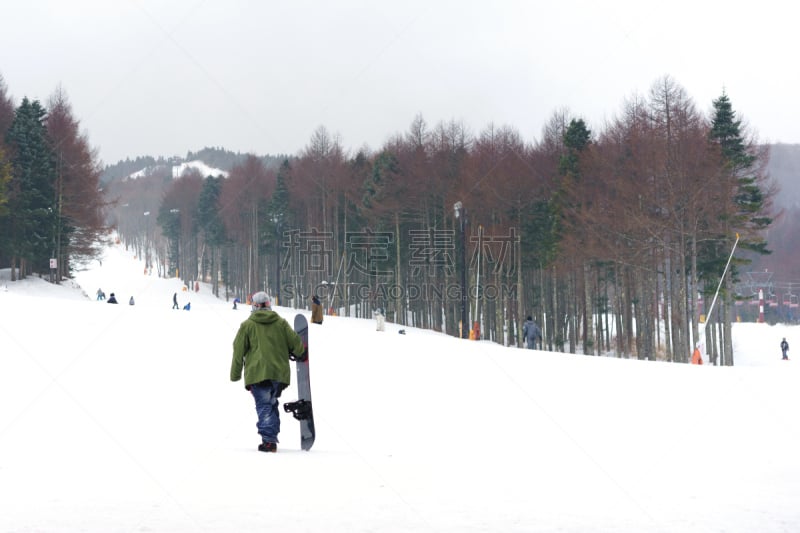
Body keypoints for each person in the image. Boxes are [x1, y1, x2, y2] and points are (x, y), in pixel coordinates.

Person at [231, 291, 305, 453]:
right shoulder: (281, 323)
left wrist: (235, 374)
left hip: (257, 374)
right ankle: (271, 435)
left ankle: (269, 441)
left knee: (264, 405)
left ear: (255, 306)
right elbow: (296, 343)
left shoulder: (247, 325)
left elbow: (238, 351)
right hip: (279, 375)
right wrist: (300, 353)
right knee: (271, 403)